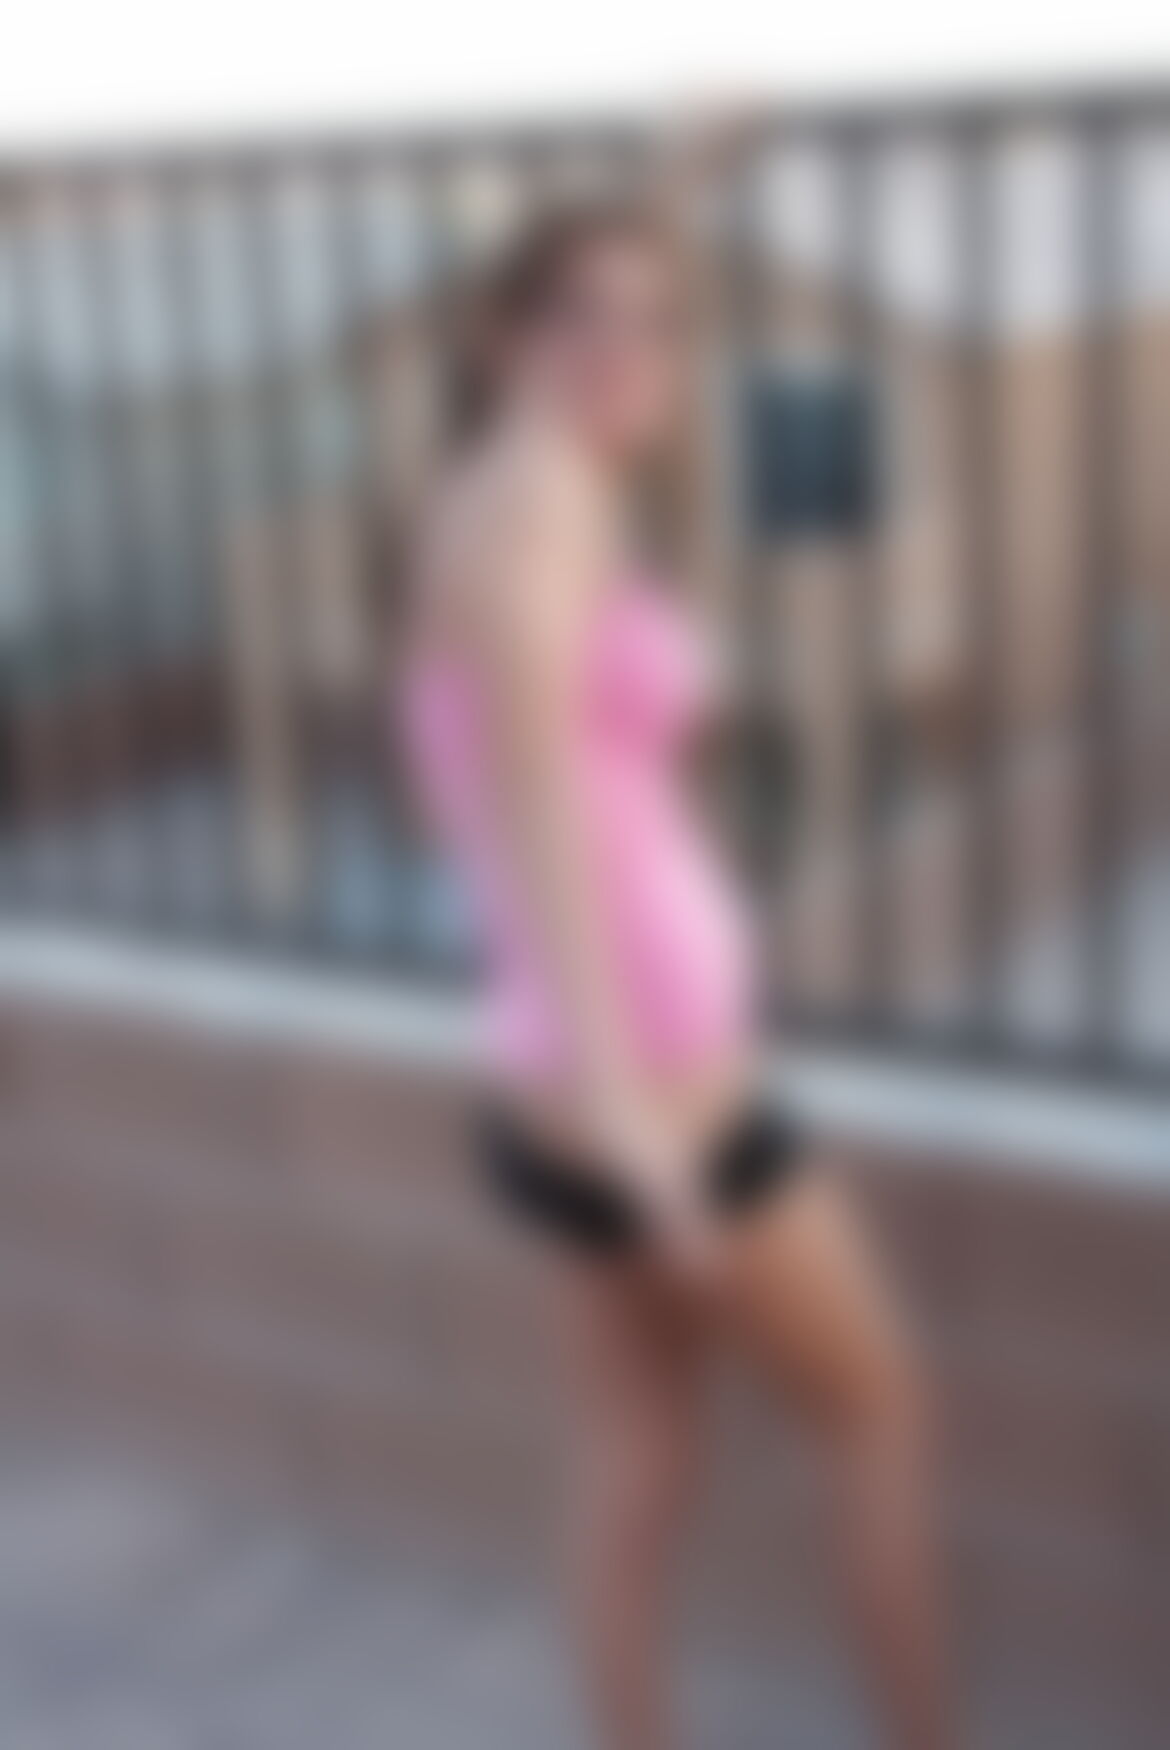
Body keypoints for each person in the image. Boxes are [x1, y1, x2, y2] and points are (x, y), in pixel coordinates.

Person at [403, 193, 956, 1750]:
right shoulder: (538, 513)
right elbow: (535, 808)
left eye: (653, 320)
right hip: (650, 1085)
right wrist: (629, 1113)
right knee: (879, 1408)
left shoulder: (507, 488)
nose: (626, 350)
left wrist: (681, 162)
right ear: (498, 338)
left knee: (633, 1462)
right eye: (580, 316)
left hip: (555, 1070)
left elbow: (555, 785)